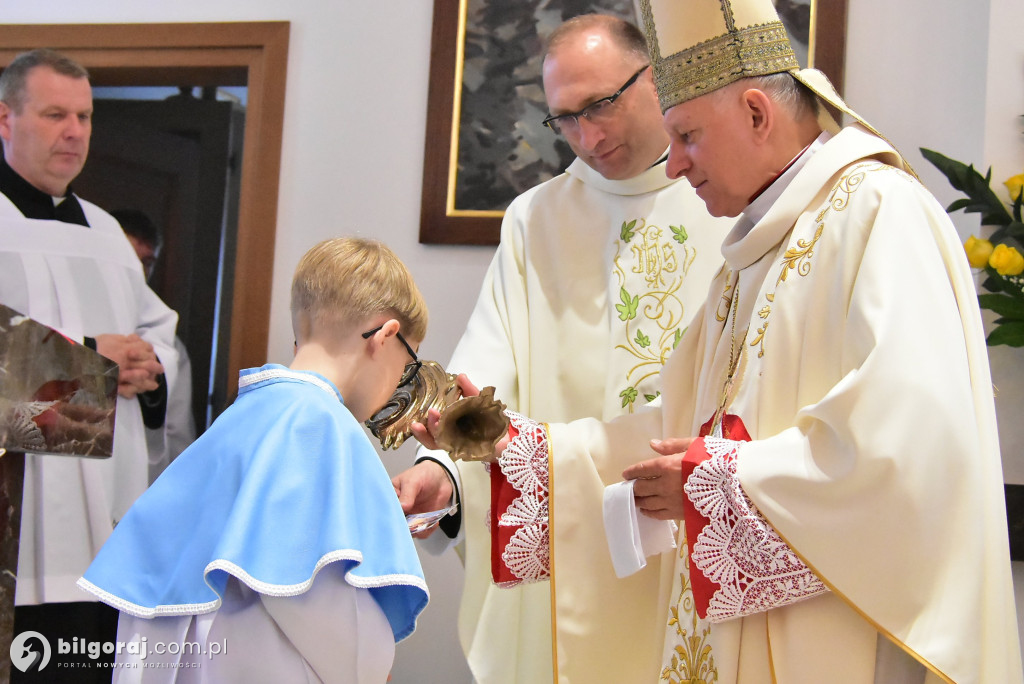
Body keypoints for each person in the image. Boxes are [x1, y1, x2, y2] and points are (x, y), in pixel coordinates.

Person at [416, 0, 1024, 681]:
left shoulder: (879, 215)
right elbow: (680, 424)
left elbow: (913, 449)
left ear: (758, 114)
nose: (675, 165)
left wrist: (716, 484)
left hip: (838, 640)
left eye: (688, 136)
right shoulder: (753, 254)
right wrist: (525, 453)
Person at [391, 13, 733, 683]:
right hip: (573, 542)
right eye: (566, 119)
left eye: (601, 104)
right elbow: (489, 370)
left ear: (656, 76)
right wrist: (446, 469)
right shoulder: (536, 219)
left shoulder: (726, 201)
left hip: (695, 525)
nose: (588, 136)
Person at [79, 237, 430, 682]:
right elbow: (312, 597)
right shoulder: (319, 422)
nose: (400, 383)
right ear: (386, 336)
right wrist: (374, 662)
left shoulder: (244, 413)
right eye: (408, 365)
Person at [0, 48, 179, 681]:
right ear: (5, 119)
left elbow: (159, 334)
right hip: (17, 518)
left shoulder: (108, 236)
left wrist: (146, 367)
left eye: (84, 117)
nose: (74, 132)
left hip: (108, 517)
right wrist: (92, 363)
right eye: (55, 115)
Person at [111, 208, 198, 480]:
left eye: (146, 262)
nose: (137, 272)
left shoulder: (168, 344)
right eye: (128, 259)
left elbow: (178, 433)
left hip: (146, 479)